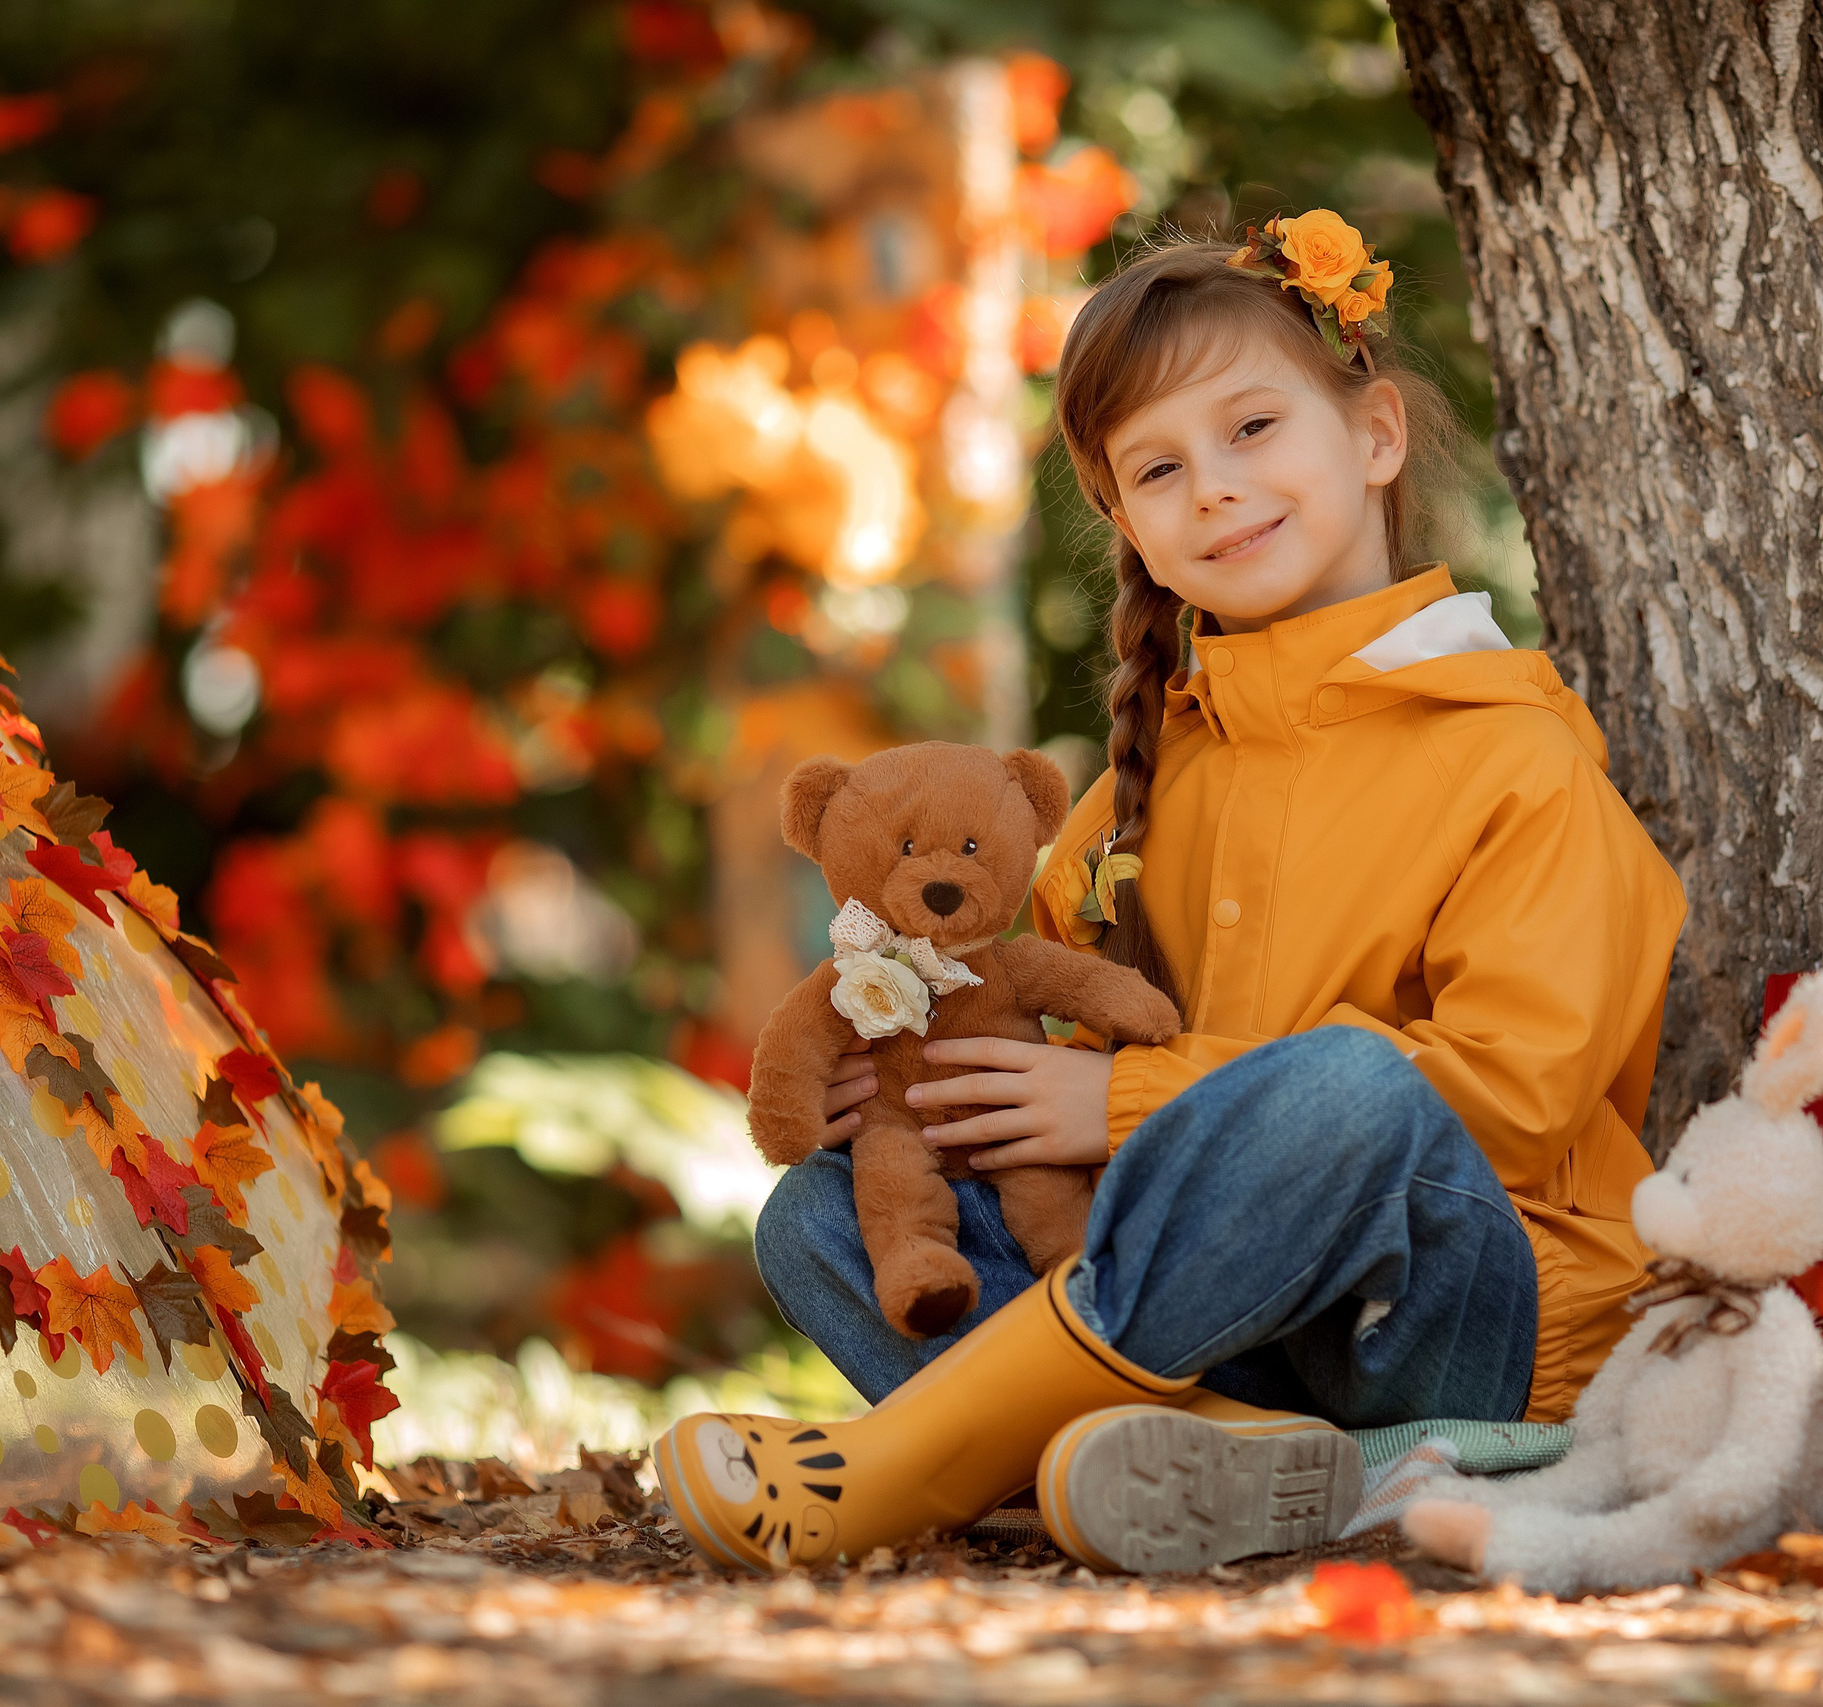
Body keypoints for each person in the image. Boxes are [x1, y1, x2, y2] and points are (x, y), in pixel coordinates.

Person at [656, 212, 1685, 1576]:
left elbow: (1505, 1105)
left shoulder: (1518, 761)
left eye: (1253, 429)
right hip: (1227, 1328)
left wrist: (1121, 1102)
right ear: (1128, 524)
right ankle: (1228, 1457)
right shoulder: (1148, 779)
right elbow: (1039, 1027)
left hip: (1453, 1324)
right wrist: (925, 1086)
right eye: (1159, 467)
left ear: (1374, 437)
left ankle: (922, 1464)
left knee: (1352, 1089)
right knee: (820, 1216)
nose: (1214, 487)